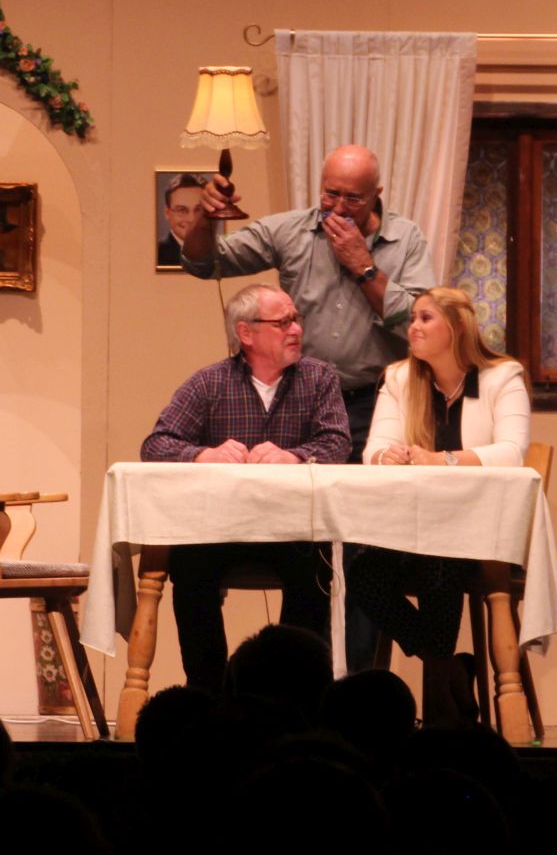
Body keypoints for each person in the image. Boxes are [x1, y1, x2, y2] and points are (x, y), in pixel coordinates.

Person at [181, 144, 435, 671]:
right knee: (309, 548)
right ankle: (305, 677)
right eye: (330, 193)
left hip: (373, 406)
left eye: (353, 199)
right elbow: (204, 263)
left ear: (377, 195)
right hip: (306, 406)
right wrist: (206, 217)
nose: (338, 208)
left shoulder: (405, 239)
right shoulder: (292, 230)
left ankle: (358, 683)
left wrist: (363, 266)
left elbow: (418, 321)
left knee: (363, 547)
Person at [140, 283, 352, 691]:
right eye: (283, 322)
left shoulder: (318, 378)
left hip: (292, 530)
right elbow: (156, 444)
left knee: (315, 566)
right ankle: (208, 692)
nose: (296, 329)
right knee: (188, 565)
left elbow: (338, 443)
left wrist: (295, 456)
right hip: (222, 530)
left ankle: (293, 693)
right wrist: (203, 454)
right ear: (245, 332)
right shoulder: (210, 383)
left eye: (296, 319)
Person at [354, 286, 530, 723]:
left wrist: (444, 459)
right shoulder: (399, 378)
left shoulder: (502, 377)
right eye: (412, 318)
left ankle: (440, 705)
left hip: (480, 533)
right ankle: (448, 671)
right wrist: (387, 456)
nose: (413, 327)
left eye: (425, 318)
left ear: (457, 327)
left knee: (440, 565)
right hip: (410, 530)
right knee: (363, 572)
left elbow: (512, 452)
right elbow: (373, 449)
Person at [156, 172, 207, 267]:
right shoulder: (155, 253)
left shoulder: (220, 253)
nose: (191, 219)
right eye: (182, 210)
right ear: (167, 213)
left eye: (198, 209)